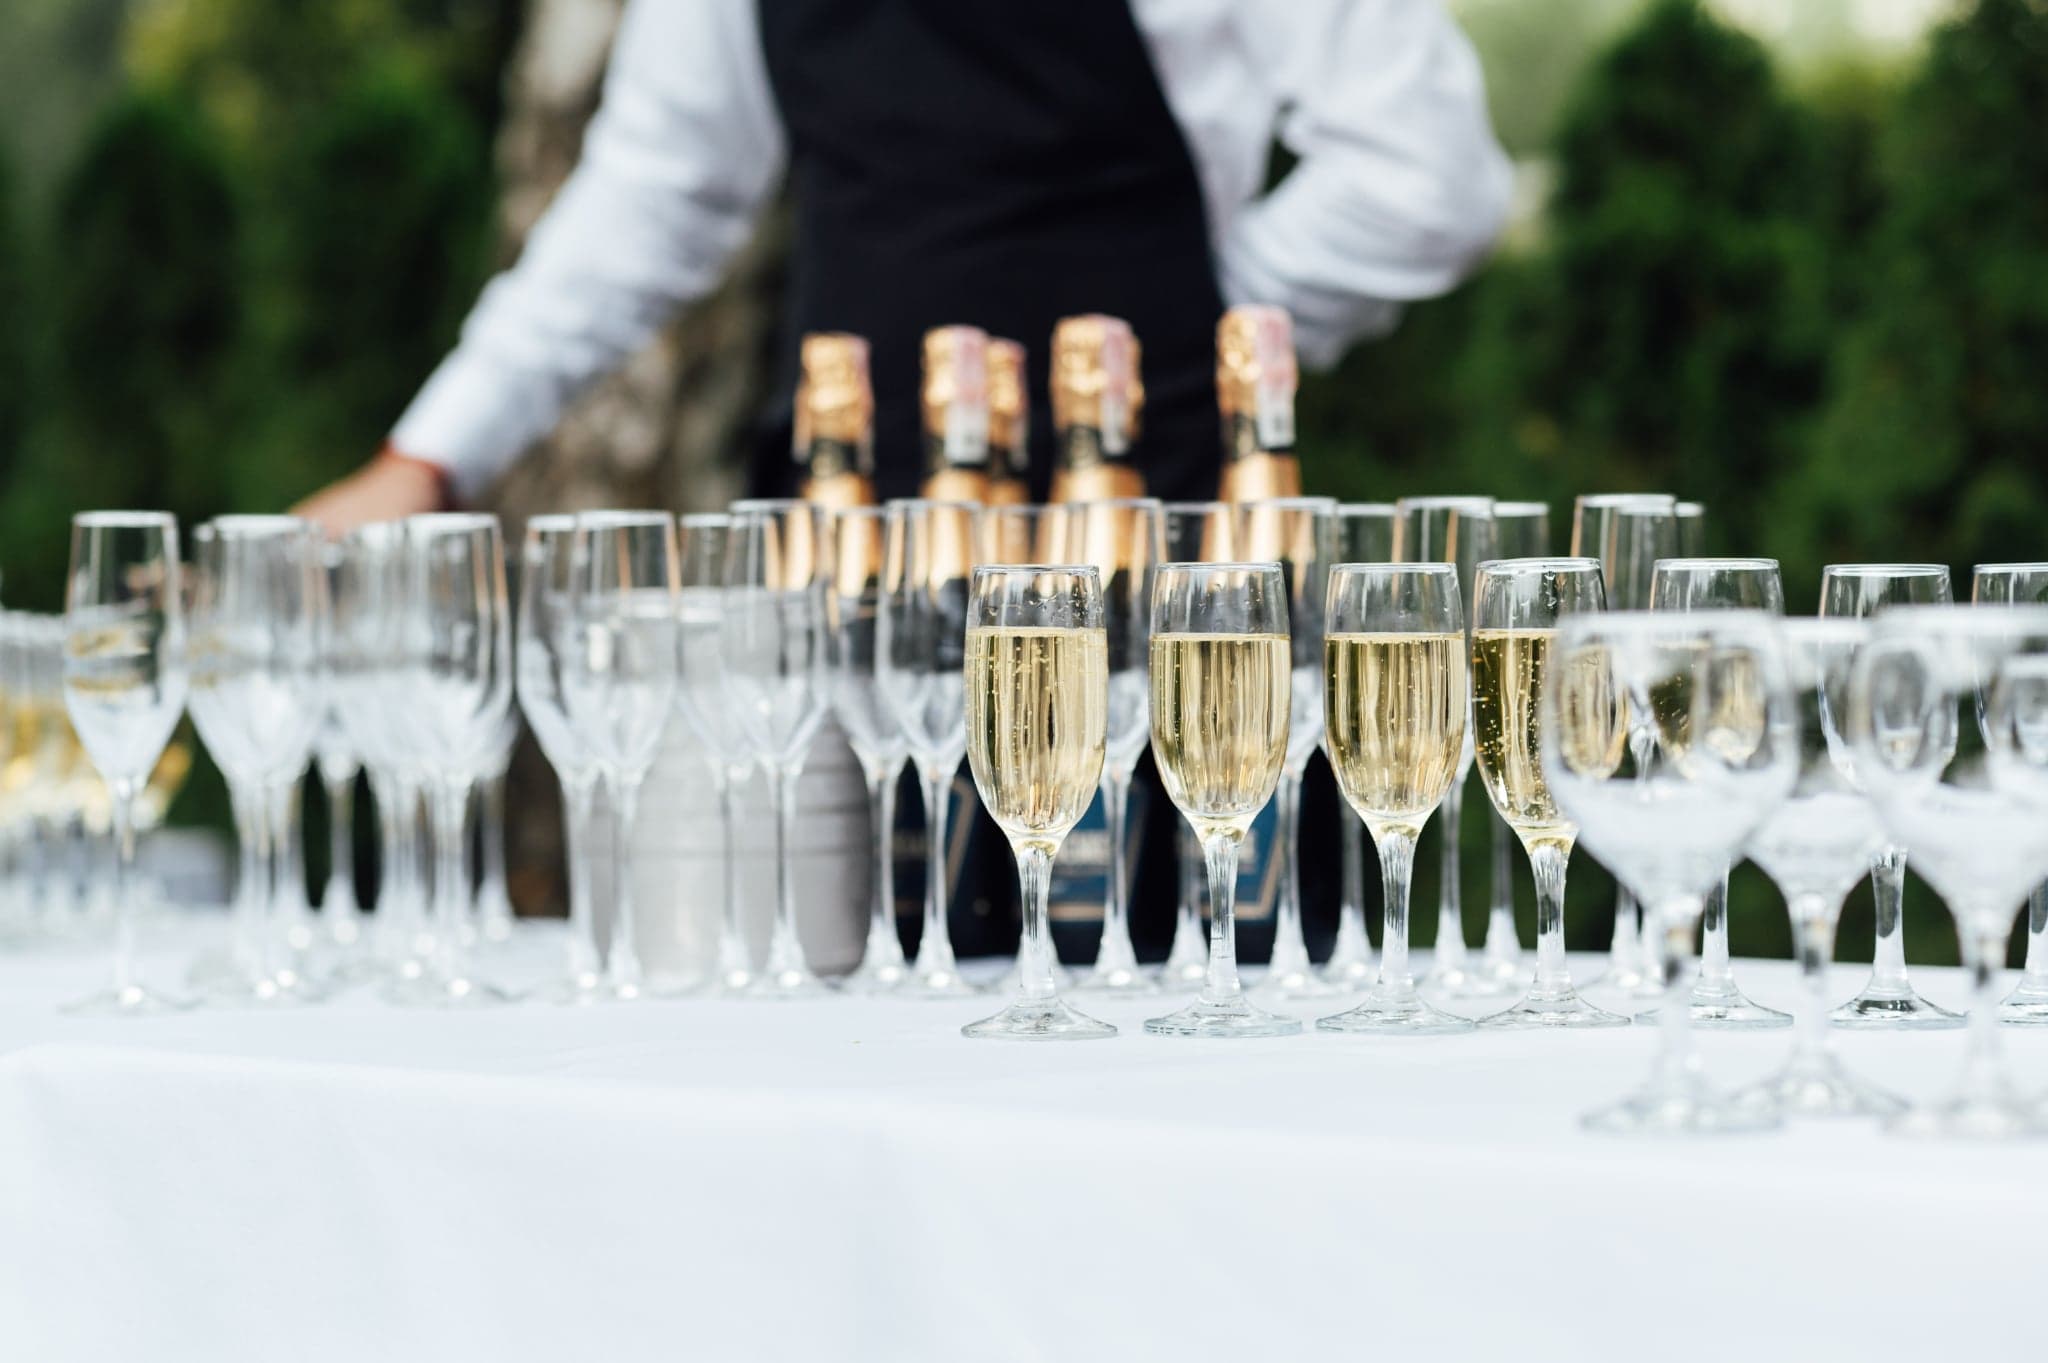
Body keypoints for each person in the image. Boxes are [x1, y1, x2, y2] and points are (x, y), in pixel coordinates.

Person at [293, 0, 1513, 529]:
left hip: (1154, 536)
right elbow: (656, 192)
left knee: (1172, 996)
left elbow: (1425, 179)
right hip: (848, 541)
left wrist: (1184, 328)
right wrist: (431, 456)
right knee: (842, 1000)